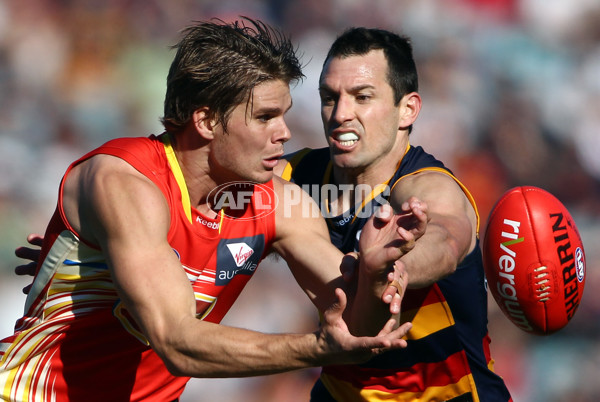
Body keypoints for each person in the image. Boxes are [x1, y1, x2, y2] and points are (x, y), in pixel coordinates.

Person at [0, 18, 428, 401]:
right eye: (264, 117)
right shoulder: (124, 184)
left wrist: (372, 274)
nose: (285, 133)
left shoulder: (278, 203)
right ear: (206, 121)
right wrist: (315, 348)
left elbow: (357, 324)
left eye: (285, 115)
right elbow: (177, 342)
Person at [275, 28, 513, 401]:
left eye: (362, 97)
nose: (340, 114)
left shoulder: (428, 186)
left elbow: (447, 240)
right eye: (329, 98)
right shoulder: (296, 177)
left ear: (408, 109)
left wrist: (394, 267)